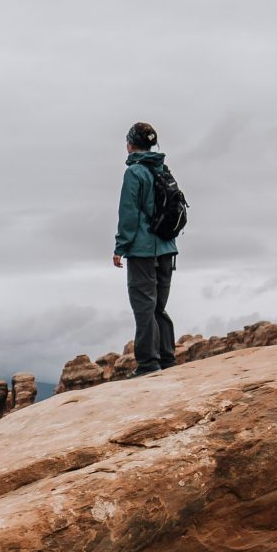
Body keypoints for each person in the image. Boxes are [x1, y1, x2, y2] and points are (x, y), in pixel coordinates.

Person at [111, 121, 177, 373]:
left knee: (144, 306)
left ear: (130, 144)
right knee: (158, 306)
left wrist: (121, 247)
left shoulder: (134, 172)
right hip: (167, 247)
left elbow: (129, 214)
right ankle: (167, 358)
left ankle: (149, 364)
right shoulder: (163, 168)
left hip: (142, 250)